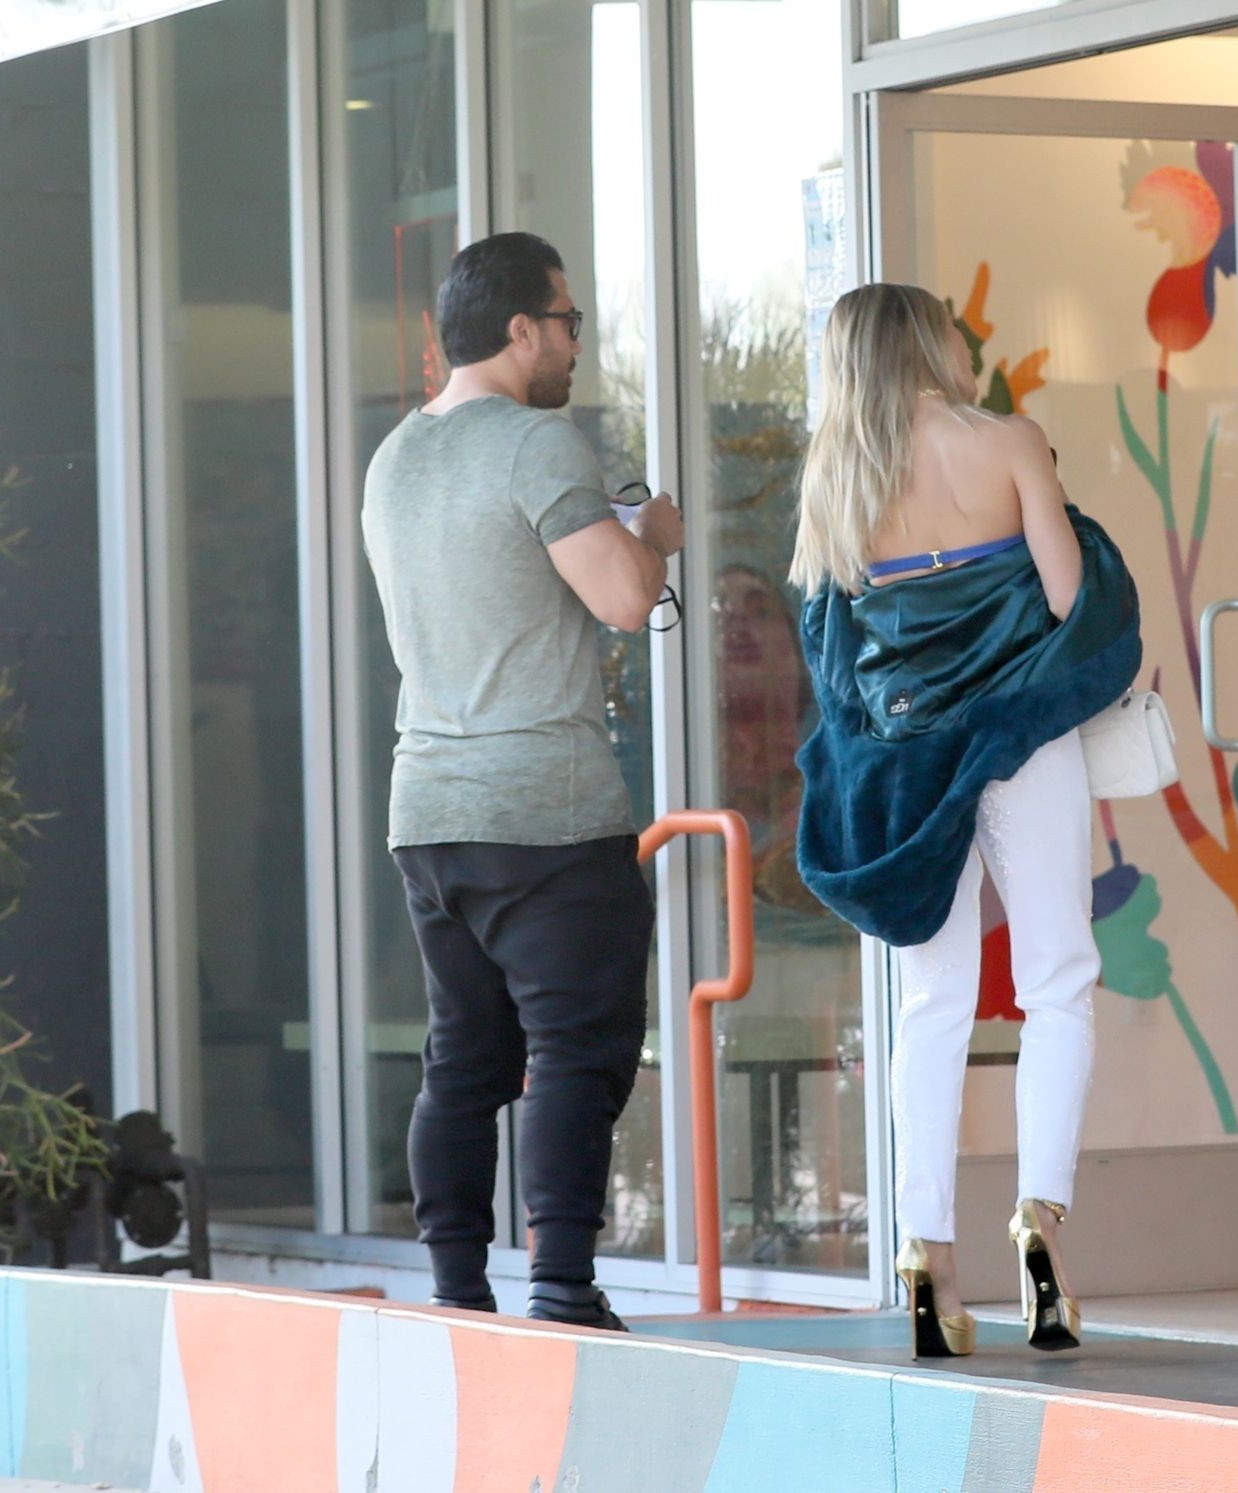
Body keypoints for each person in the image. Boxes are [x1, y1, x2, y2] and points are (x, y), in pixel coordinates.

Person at [789, 283, 1141, 1358]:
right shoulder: (1010, 443)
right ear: (924, 343)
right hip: (1020, 743)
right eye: (948, 325)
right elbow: (1070, 598)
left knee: (931, 1003)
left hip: (912, 765)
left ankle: (926, 1253)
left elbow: (835, 654)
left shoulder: (835, 477)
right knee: (1056, 981)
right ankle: (1041, 1224)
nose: (964, 337)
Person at [361, 231, 684, 1329]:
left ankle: (457, 1288)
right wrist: (654, 537)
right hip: (545, 811)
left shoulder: (394, 458)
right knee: (576, 1051)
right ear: (519, 330)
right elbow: (625, 598)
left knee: (463, 1057)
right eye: (568, 322)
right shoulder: (537, 444)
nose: (576, 344)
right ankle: (561, 1286)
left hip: (428, 810)